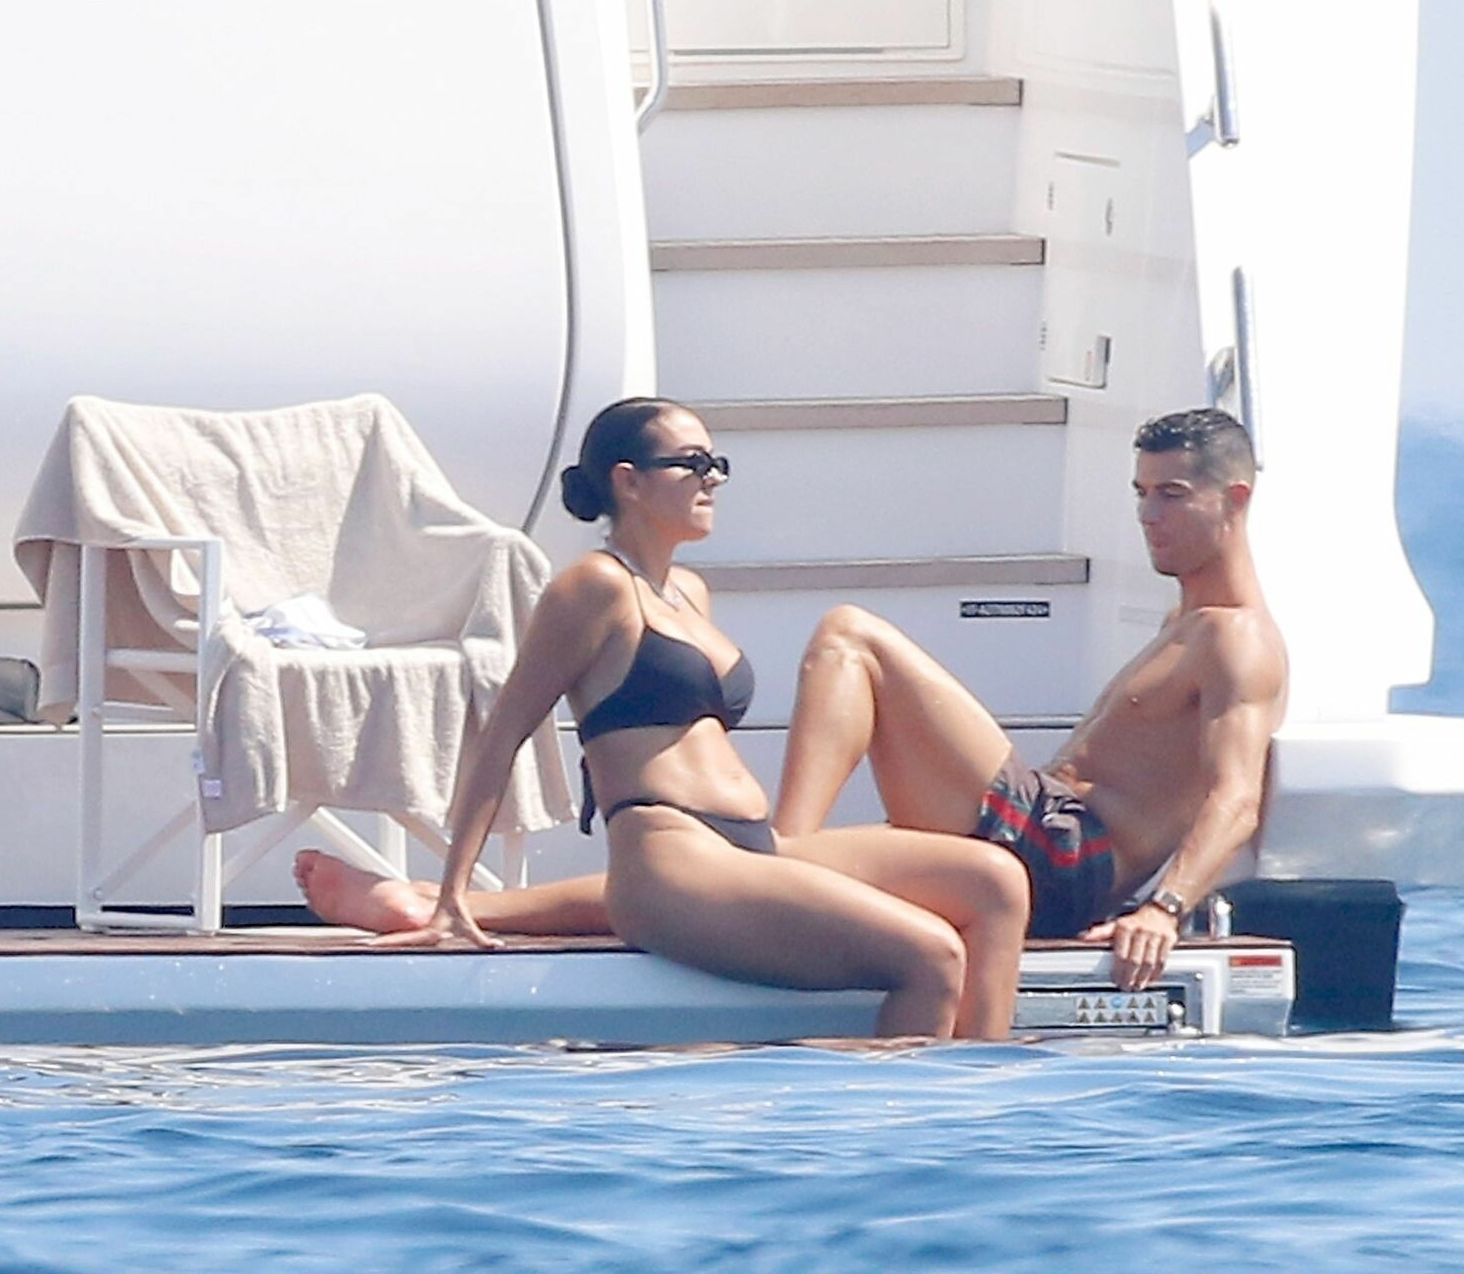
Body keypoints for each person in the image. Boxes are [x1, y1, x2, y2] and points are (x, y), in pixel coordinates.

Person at [299, 397, 1030, 1041]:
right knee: (929, 956)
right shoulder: (593, 588)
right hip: (670, 860)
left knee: (997, 881)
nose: (712, 479)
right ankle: (884, 1128)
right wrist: (453, 898)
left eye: (717, 463)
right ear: (629, 481)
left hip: (752, 847)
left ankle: (985, 1097)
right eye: (692, 463)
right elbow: (503, 735)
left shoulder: (688, 592)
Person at [770, 407, 1288, 992]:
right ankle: (781, 862)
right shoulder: (1186, 623)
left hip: (1065, 857)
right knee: (832, 856)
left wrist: (1163, 909)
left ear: (1235, 500)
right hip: (1046, 841)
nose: (1149, 515)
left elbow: (1237, 798)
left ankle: (776, 862)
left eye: (1172, 495)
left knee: (850, 636)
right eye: (1141, 493)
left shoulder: (1238, 638)